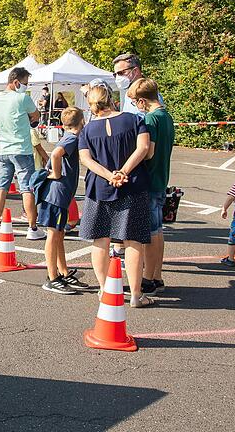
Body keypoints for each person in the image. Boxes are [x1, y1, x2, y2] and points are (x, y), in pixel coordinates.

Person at [78, 85, 154, 308]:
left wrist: (109, 175)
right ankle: (136, 294)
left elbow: (86, 159)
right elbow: (144, 148)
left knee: (100, 239)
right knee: (133, 240)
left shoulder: (88, 130)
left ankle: (104, 289)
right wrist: (124, 172)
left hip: (100, 188)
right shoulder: (135, 120)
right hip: (133, 185)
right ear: (111, 99)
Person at [0, 67, 49, 240]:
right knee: (27, 189)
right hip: (22, 149)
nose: (26, 87)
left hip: (3, 149)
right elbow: (36, 115)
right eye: (25, 84)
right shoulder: (23, 98)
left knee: (1, 188)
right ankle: (32, 228)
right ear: (16, 82)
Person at [127, 78, 175, 293]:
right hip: (162, 177)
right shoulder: (167, 116)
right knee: (158, 230)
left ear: (141, 101)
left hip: (150, 178)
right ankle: (157, 275)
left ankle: (148, 279)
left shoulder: (151, 119)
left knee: (150, 232)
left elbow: (149, 151)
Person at [38, 107, 89, 294]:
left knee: (59, 233)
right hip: (56, 195)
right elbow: (56, 154)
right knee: (53, 234)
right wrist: (57, 173)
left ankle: (63, 272)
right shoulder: (72, 138)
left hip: (62, 194)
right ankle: (51, 277)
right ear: (81, 121)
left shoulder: (70, 137)